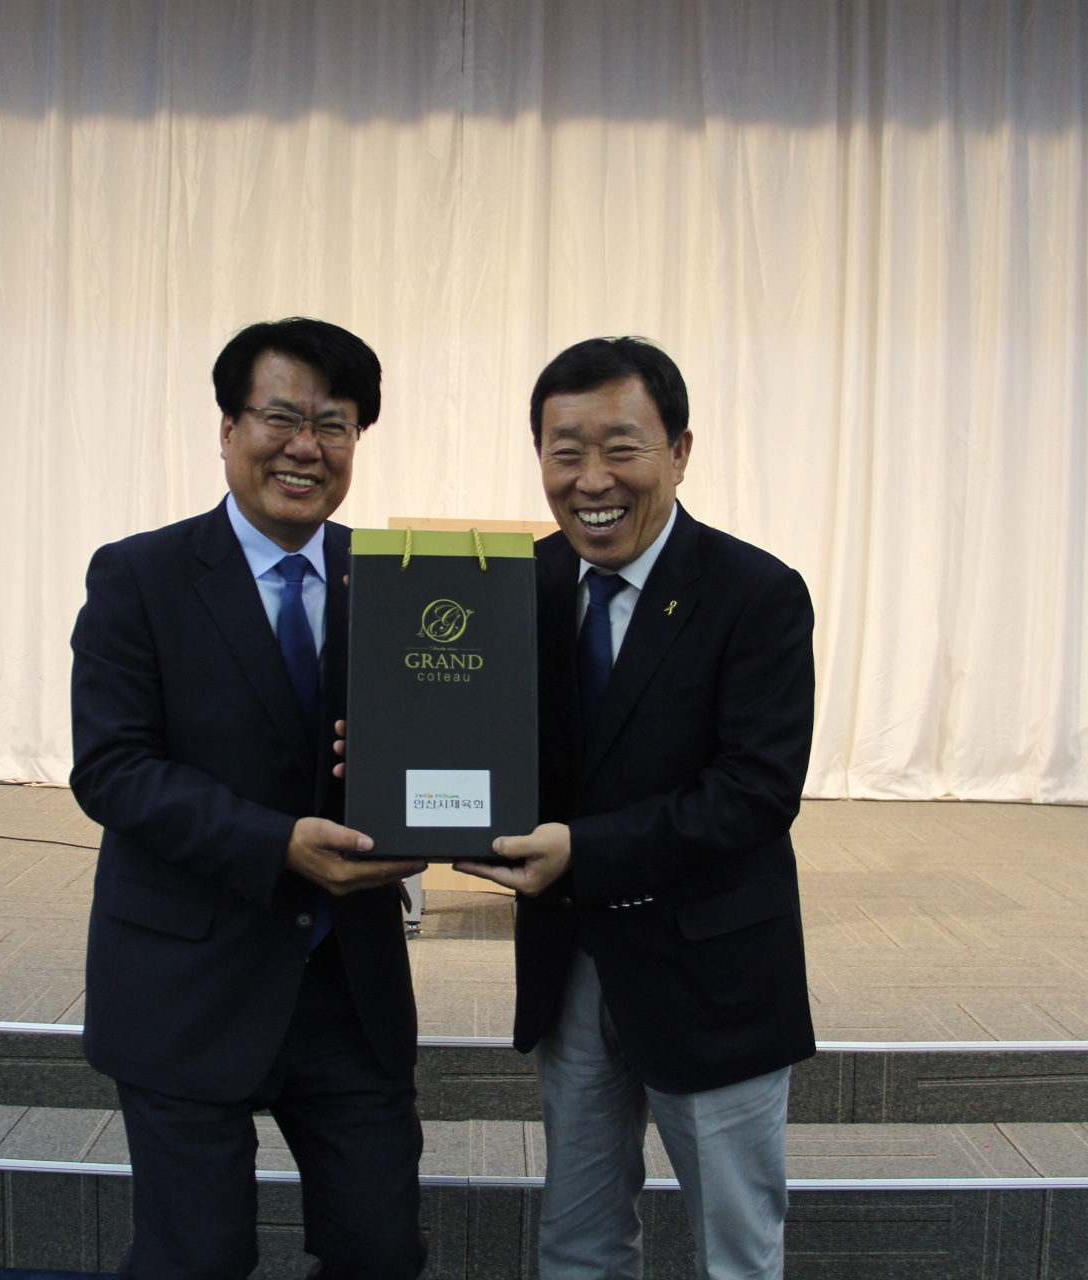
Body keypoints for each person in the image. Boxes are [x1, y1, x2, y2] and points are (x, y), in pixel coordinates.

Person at [70, 318, 428, 1280]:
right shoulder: (139, 576)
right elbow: (112, 768)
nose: (306, 447)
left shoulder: (394, 583)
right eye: (281, 418)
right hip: (188, 983)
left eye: (334, 424)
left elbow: (440, 746)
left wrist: (445, 805)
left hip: (347, 990)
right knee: (196, 1261)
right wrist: (277, 844)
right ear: (228, 429)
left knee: (383, 1252)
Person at [458, 337, 817, 1280]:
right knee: (578, 1243)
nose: (592, 480)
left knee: (738, 1251)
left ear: (680, 452)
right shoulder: (513, 589)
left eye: (622, 447)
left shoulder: (756, 594)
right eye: (564, 451)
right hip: (571, 965)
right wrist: (390, 763)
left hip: (712, 975)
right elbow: (471, 737)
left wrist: (583, 848)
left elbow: (755, 792)